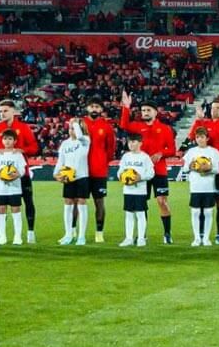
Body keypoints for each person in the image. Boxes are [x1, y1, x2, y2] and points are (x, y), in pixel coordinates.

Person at [117, 94, 178, 245]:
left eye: (148, 110)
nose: (145, 113)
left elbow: (172, 149)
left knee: (162, 201)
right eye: (143, 110)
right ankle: (141, 235)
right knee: (141, 203)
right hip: (140, 173)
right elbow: (123, 125)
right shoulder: (137, 126)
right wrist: (126, 107)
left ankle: (167, 233)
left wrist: (161, 153)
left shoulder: (165, 129)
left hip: (159, 171)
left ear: (155, 112)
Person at [0, 99, 40, 239]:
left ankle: (30, 232)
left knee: (28, 201)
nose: (2, 114)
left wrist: (22, 150)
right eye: (1, 111)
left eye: (5, 111)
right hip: (2, 174)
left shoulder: (23, 128)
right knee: (1, 204)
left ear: (13, 111)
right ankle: (0, 234)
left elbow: (34, 148)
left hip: (21, 173)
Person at [189, 99, 219, 245]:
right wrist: (199, 120)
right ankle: (201, 234)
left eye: (217, 108)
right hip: (202, 171)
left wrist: (206, 125)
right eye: (212, 108)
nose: (214, 110)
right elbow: (192, 136)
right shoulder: (204, 123)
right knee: (203, 203)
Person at [81, 100, 118, 243]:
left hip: (99, 170)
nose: (94, 109)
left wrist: (102, 161)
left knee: (99, 202)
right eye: (92, 106)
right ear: (87, 108)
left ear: (101, 109)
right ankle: (75, 233)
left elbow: (111, 149)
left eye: (97, 107)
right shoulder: (80, 124)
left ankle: (99, 232)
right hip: (81, 169)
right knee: (78, 202)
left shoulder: (106, 126)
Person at [179, 128, 219, 247]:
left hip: (209, 187)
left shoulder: (213, 152)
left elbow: (217, 170)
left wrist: (207, 169)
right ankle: (197, 238)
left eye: (202, 137)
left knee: (208, 212)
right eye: (197, 137)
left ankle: (206, 238)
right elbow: (185, 168)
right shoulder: (191, 152)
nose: (200, 139)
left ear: (207, 138)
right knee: (195, 212)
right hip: (195, 186)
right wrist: (192, 166)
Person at [54, 117, 93, 246]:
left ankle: (81, 236)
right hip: (68, 177)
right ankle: (68, 234)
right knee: (68, 205)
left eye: (75, 128)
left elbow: (80, 136)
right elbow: (60, 161)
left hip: (82, 177)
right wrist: (56, 174)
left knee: (81, 204)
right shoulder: (65, 144)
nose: (72, 131)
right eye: (70, 128)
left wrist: (76, 123)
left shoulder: (85, 140)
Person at [115, 133, 158, 248]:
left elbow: (151, 173)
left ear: (140, 143)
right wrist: (122, 177)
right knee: (129, 214)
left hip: (140, 191)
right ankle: (128, 238)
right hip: (128, 190)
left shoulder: (145, 157)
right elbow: (120, 171)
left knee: (140, 214)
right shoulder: (126, 157)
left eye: (133, 142)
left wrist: (140, 177)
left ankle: (141, 238)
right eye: (129, 142)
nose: (131, 144)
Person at [0, 130, 30, 246]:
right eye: (5, 139)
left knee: (16, 210)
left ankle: (17, 237)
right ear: (2, 140)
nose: (7, 141)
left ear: (15, 141)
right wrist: (1, 175)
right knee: (1, 209)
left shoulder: (18, 154)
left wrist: (16, 175)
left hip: (15, 188)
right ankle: (2, 237)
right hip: (1, 188)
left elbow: (22, 170)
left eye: (10, 139)